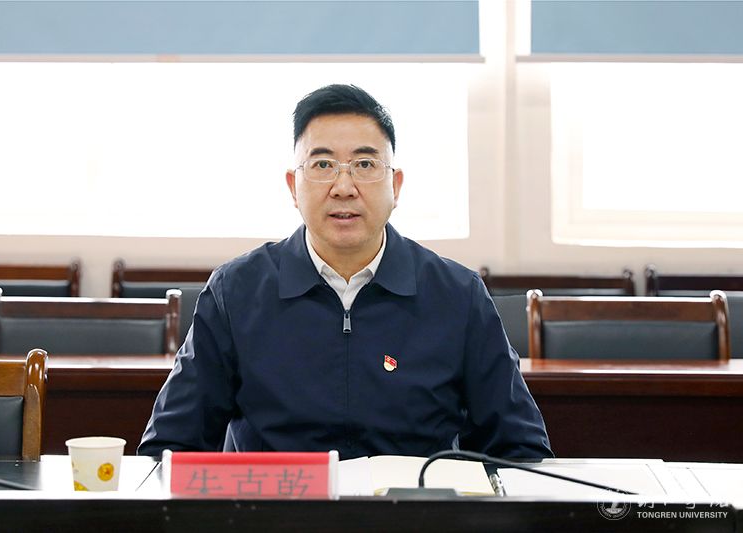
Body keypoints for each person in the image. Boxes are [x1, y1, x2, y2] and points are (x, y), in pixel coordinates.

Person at [138, 84, 552, 460]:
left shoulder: (458, 295)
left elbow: (521, 448)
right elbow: (169, 447)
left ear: (396, 186)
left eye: (365, 164)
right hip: (277, 510)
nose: (343, 187)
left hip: (413, 509)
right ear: (293, 187)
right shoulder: (235, 292)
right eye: (322, 165)